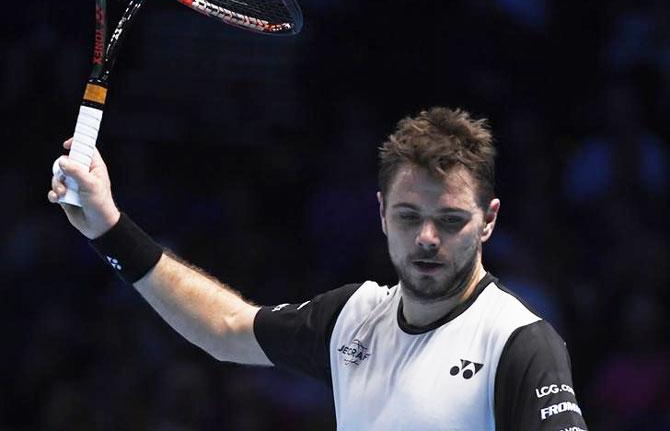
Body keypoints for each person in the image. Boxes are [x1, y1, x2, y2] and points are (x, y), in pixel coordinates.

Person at [48, 107, 588, 430]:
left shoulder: (518, 343)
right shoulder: (354, 319)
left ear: (488, 221)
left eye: (449, 220)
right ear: (380, 212)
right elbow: (226, 328)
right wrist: (109, 228)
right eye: (408, 216)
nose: (426, 237)